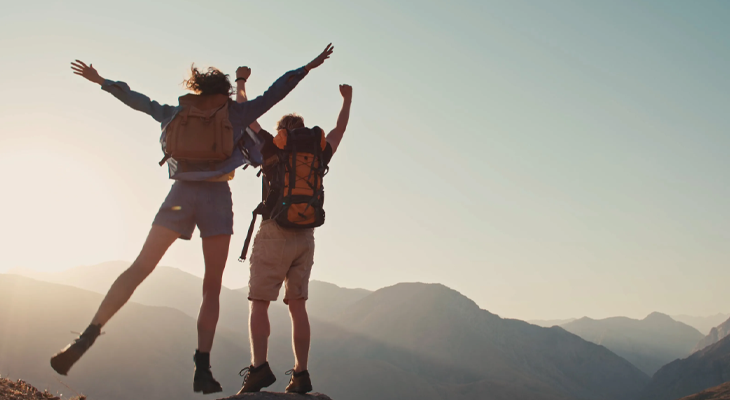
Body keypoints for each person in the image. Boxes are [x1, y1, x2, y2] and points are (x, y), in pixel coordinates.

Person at [50, 44, 334, 395]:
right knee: (211, 286)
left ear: (197, 88)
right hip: (216, 198)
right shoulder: (235, 115)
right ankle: (203, 367)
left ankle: (87, 335)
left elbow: (138, 100)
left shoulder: (176, 112)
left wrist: (102, 80)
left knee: (140, 267)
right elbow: (277, 91)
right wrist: (308, 66)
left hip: (180, 196)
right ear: (224, 92)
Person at [234, 72, 352, 394]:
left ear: (282, 130)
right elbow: (339, 131)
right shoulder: (318, 151)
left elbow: (244, 112)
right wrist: (347, 101)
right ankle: (301, 374)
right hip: (306, 236)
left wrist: (241, 82)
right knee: (298, 306)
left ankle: (259, 368)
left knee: (259, 302)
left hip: (274, 231)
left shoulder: (274, 147)